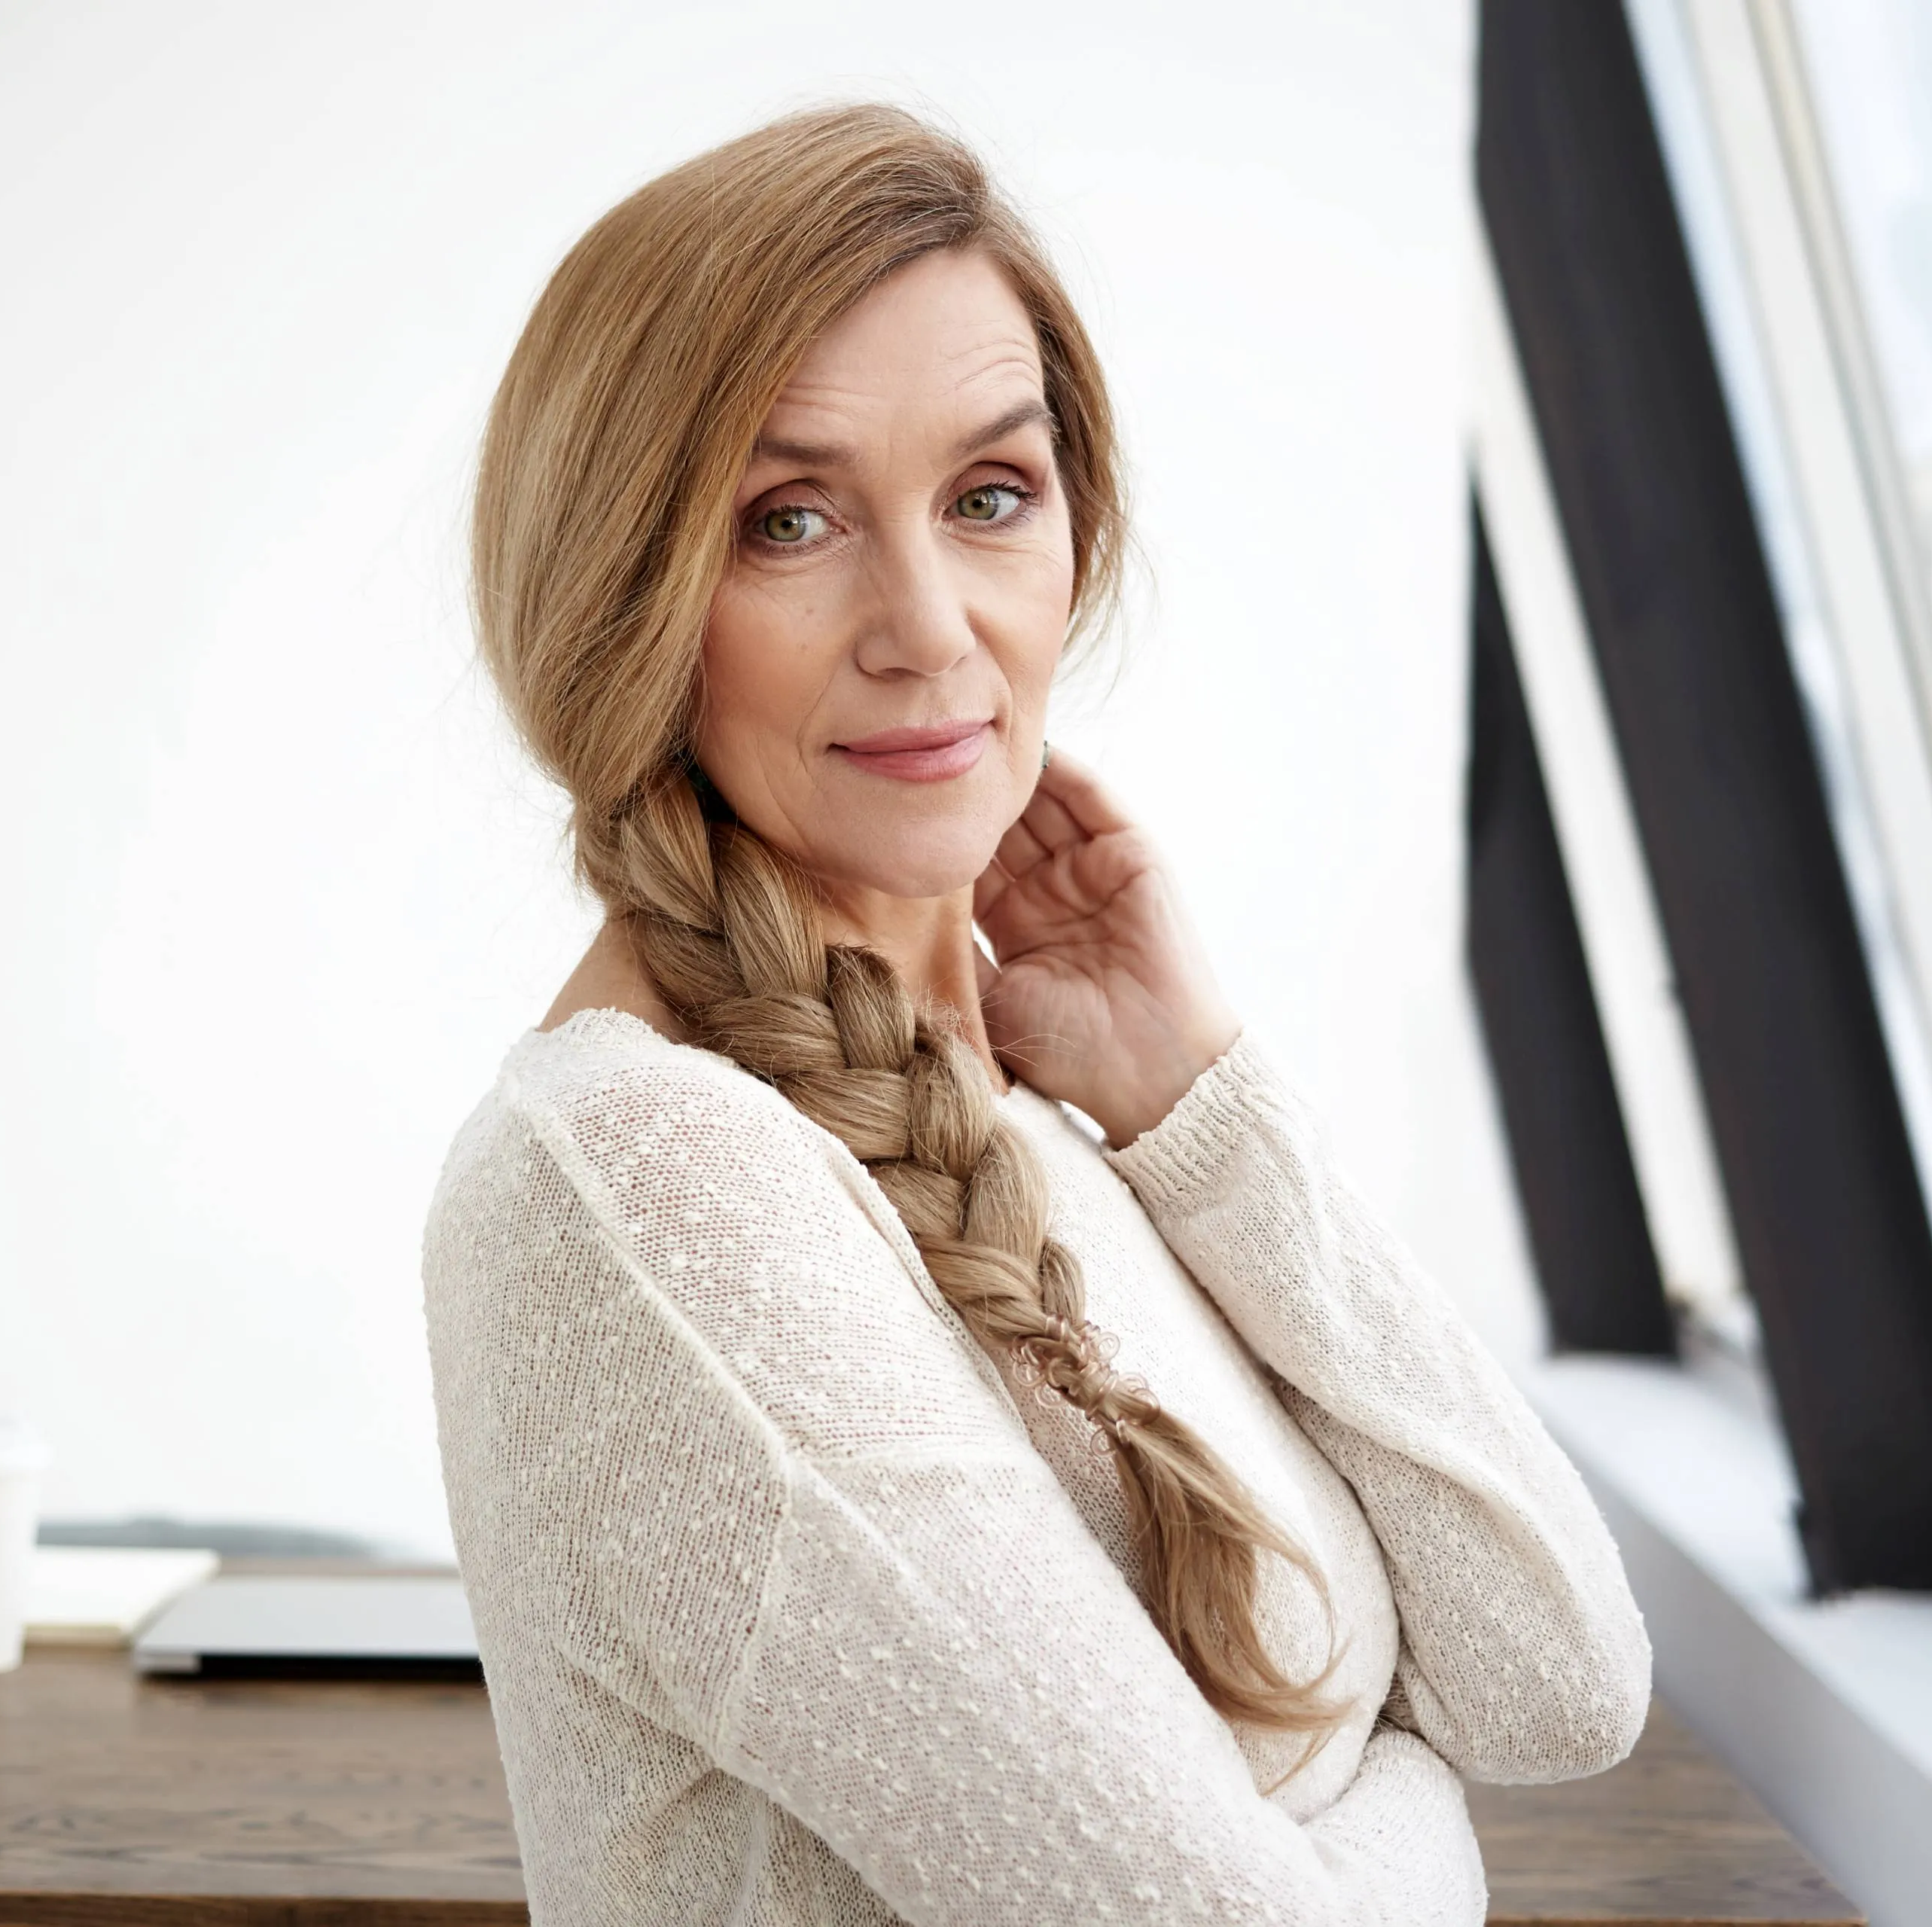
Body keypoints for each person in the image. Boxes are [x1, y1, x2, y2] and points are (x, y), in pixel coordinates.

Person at [424, 104, 1650, 1927]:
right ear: (624, 596)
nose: (929, 628)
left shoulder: (1029, 1114)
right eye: (788, 521)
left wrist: (1201, 1108)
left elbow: (1559, 1681)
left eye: (989, 496)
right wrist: (1405, 1785)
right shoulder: (645, 1179)